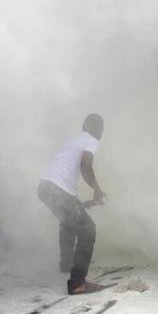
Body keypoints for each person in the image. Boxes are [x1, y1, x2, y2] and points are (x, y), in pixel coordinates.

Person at [38, 114, 106, 295]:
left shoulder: (75, 139)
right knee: (87, 230)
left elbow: (73, 200)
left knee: (69, 220)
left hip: (46, 186)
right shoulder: (92, 141)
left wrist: (89, 201)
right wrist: (97, 190)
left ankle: (66, 263)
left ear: (84, 126)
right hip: (58, 189)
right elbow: (86, 167)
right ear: (100, 130)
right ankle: (77, 283)